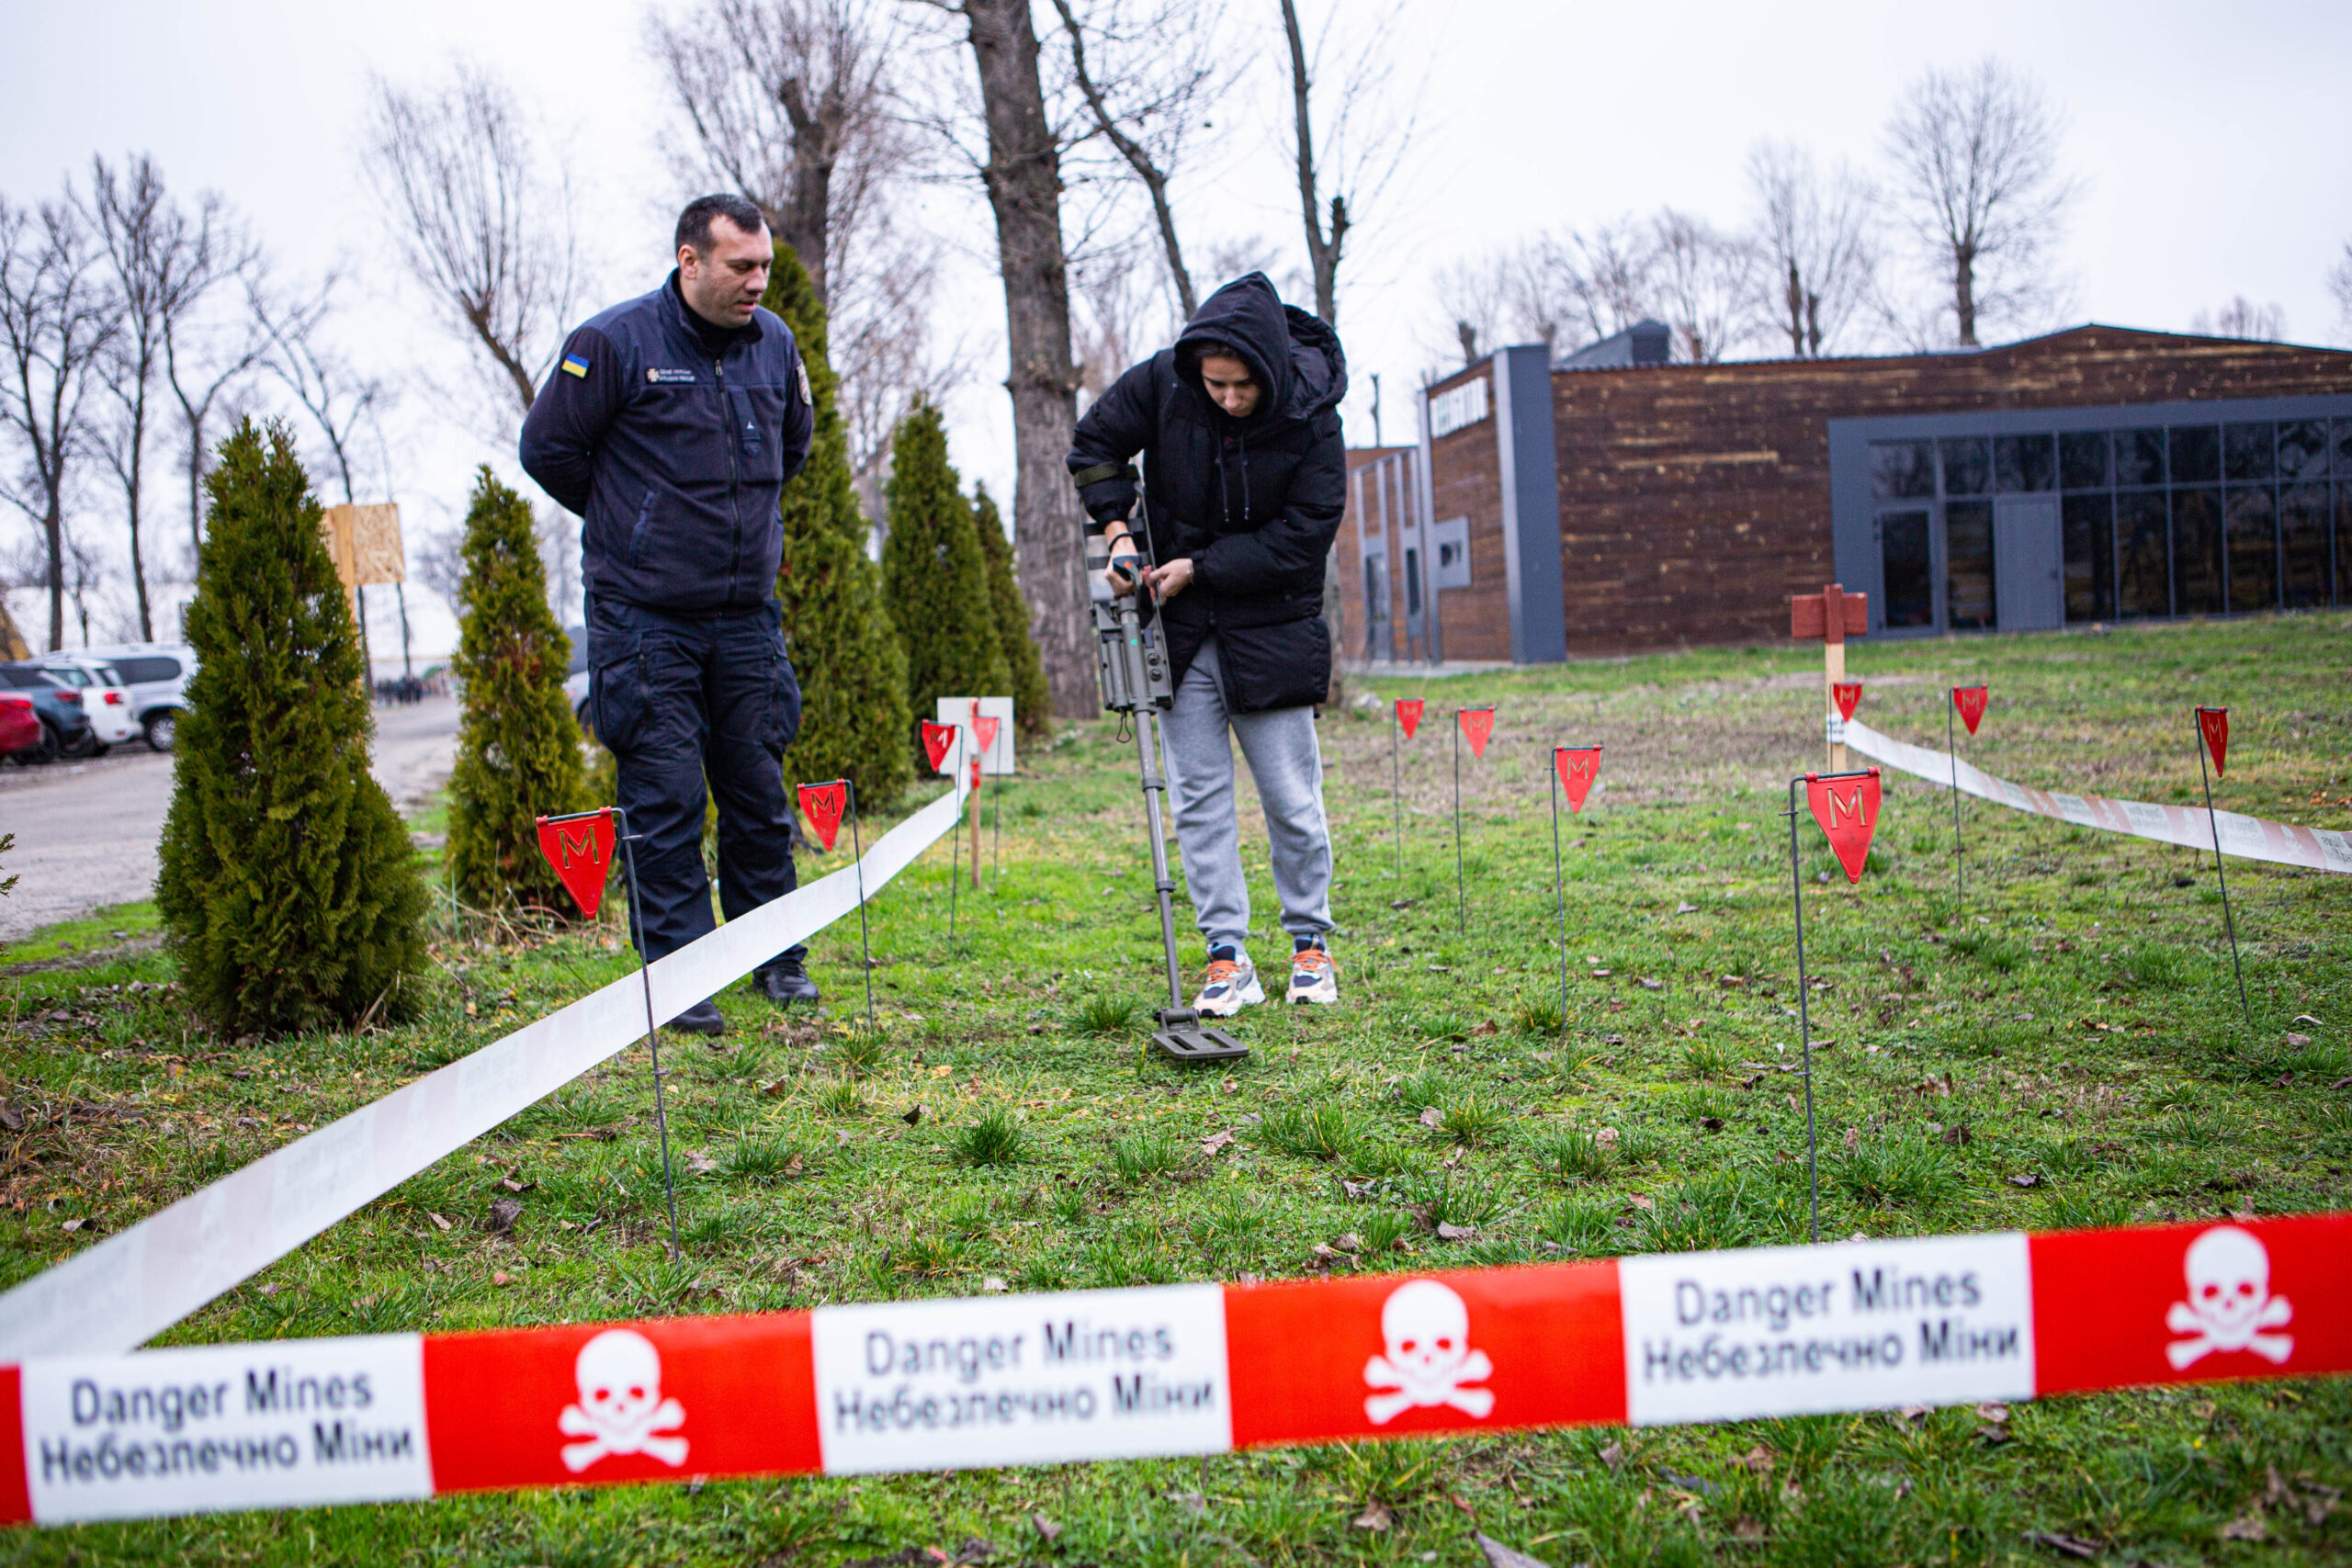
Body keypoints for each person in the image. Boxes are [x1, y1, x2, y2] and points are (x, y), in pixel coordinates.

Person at [520, 194, 819, 1036]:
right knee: (667, 798)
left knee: (758, 792)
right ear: (690, 261)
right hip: (644, 618)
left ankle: (777, 957)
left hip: (745, 618)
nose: (757, 281)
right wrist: (633, 516)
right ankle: (684, 979)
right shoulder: (612, 344)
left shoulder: (776, 346)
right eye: (740, 267)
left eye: (763, 265)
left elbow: (794, 445)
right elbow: (547, 450)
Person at [1067, 271, 1347, 1013]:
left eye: (1240, 386)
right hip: (1181, 630)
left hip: (1272, 628)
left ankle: (1310, 945)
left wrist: (1204, 566)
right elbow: (1094, 445)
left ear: (1271, 373)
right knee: (1198, 800)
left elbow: (1307, 532)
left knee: (1290, 798)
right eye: (1215, 384)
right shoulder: (1167, 380)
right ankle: (1228, 956)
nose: (1226, 397)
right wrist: (1120, 533)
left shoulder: (1313, 411)